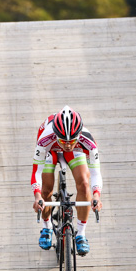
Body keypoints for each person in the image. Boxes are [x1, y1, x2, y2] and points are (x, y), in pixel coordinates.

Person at [31, 106, 103, 255]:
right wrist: (37, 195)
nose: (68, 145)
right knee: (46, 189)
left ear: (79, 134)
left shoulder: (87, 140)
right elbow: (36, 171)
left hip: (76, 151)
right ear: (57, 134)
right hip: (50, 149)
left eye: (71, 141)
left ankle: (81, 234)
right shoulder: (45, 138)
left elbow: (96, 173)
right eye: (64, 141)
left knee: (84, 184)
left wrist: (96, 195)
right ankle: (47, 227)